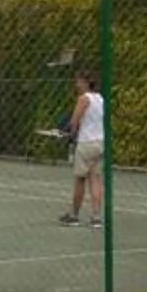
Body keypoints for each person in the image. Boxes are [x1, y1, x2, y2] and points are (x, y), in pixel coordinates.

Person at [58, 67, 106, 226]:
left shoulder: (83, 99)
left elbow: (74, 122)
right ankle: (96, 217)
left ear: (86, 82)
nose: (76, 84)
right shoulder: (100, 98)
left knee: (80, 179)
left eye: (79, 81)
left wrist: (68, 134)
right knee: (96, 179)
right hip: (99, 142)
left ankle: (74, 216)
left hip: (86, 143)